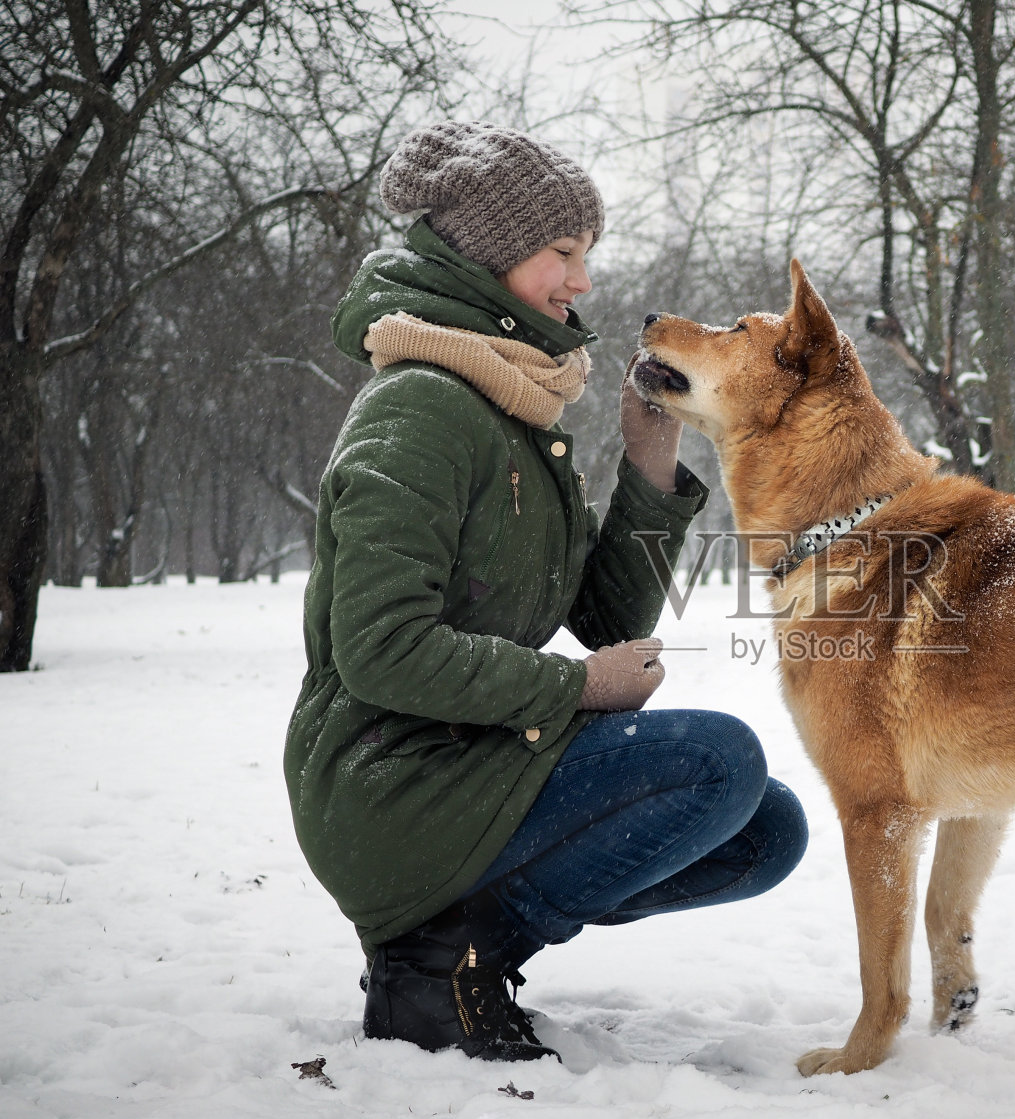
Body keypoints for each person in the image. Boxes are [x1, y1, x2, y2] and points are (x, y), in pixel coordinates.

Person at [283, 121, 807, 1063]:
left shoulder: (513, 407)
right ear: (488, 258)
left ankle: (468, 949)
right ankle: (435, 962)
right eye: (561, 253)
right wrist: (576, 689)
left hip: (479, 754)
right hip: (393, 780)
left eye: (587, 254)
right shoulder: (420, 410)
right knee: (717, 761)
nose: (583, 281)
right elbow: (381, 650)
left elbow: (605, 619)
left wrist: (652, 458)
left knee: (765, 830)